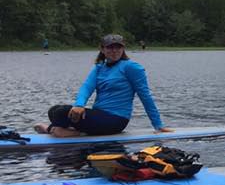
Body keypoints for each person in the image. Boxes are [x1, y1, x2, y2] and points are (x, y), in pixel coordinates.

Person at [34, 34, 173, 137]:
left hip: (116, 120)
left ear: (123, 49)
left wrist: (158, 125)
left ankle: (55, 130)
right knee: (54, 110)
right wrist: (79, 105)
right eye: (110, 47)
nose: (114, 50)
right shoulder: (99, 67)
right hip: (99, 115)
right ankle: (65, 131)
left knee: (61, 112)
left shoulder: (131, 67)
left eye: (118, 47)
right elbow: (87, 87)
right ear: (102, 49)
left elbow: (145, 96)